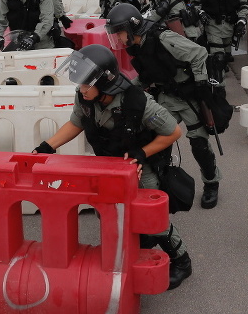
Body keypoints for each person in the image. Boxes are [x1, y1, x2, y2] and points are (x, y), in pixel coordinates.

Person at [36, 44, 192, 289]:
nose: (81, 88)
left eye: (86, 84)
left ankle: (181, 260)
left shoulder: (138, 102)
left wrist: (142, 152)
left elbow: (173, 131)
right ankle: (135, 250)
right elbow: (75, 123)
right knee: (110, 213)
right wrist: (48, 146)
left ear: (105, 83)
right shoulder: (86, 97)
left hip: (140, 168)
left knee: (150, 217)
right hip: (110, 168)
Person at [105, 4, 222, 210]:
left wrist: (201, 84)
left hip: (188, 98)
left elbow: (199, 53)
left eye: (120, 33)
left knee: (199, 145)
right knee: (156, 142)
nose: (119, 39)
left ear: (132, 28)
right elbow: (147, 74)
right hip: (165, 97)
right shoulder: (138, 46)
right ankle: (161, 186)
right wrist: (124, 90)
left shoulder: (163, 38)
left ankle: (211, 182)